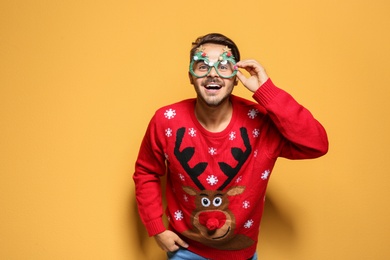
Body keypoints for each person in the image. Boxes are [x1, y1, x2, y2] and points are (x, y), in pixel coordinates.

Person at [133, 33, 328, 260]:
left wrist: (267, 92)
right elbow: (146, 171)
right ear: (190, 75)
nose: (213, 73)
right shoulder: (166, 120)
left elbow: (317, 144)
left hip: (240, 253)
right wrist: (156, 228)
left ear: (236, 77)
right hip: (185, 250)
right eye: (203, 65)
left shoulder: (261, 123)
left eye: (224, 66)